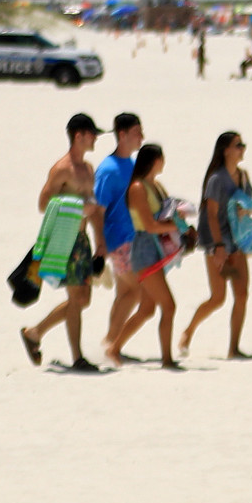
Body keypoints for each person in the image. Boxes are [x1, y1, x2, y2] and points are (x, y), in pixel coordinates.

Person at [20, 114, 104, 368]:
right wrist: (78, 206)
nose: (96, 138)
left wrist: (100, 244)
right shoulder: (62, 169)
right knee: (77, 297)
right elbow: (43, 204)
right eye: (92, 134)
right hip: (65, 239)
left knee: (82, 300)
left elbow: (94, 209)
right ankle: (78, 357)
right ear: (78, 136)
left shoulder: (88, 169)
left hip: (82, 238)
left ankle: (34, 333)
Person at [181, 131, 252, 359]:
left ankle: (233, 348)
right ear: (226, 150)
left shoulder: (242, 176)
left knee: (242, 295)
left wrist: (246, 209)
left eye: (243, 145)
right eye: (238, 145)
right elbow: (211, 214)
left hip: (239, 241)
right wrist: (218, 246)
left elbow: (248, 204)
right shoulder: (216, 179)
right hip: (217, 242)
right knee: (218, 297)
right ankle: (188, 331)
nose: (242, 149)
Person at [112, 144, 186, 365]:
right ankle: (166, 358)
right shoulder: (137, 188)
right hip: (145, 250)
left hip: (154, 249)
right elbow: (150, 225)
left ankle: (114, 348)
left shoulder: (155, 186)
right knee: (168, 305)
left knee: (147, 308)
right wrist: (175, 227)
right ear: (155, 160)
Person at [91, 113, 145, 364]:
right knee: (136, 293)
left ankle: (111, 345)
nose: (141, 137)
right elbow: (97, 210)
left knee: (125, 294)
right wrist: (100, 244)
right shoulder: (108, 170)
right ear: (122, 135)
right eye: (137, 132)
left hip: (132, 237)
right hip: (118, 239)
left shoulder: (132, 165)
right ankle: (111, 345)